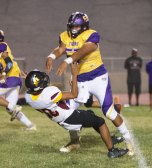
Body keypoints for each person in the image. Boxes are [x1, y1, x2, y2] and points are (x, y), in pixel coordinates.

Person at [45, 11, 134, 156]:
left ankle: (128, 140)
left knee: (109, 112)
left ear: (84, 27)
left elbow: (86, 49)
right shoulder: (65, 35)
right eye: (71, 26)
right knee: (68, 112)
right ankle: (74, 141)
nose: (73, 30)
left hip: (97, 78)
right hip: (80, 79)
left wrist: (67, 61)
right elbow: (61, 48)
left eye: (77, 27)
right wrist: (51, 56)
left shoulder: (92, 35)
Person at [24, 65, 128, 158]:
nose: (45, 81)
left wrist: (28, 77)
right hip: (70, 117)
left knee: (90, 114)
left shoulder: (29, 97)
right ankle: (112, 151)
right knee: (100, 122)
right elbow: (73, 94)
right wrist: (74, 75)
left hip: (61, 119)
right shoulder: (48, 94)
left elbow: (36, 91)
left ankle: (108, 138)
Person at [0, 30, 36, 130]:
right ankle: (30, 125)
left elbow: (10, 64)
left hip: (10, 78)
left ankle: (13, 106)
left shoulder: (1, 46)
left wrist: (3, 74)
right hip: (15, 79)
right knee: (10, 109)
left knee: (11, 106)